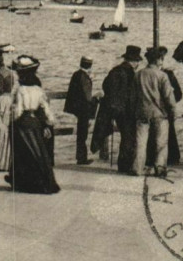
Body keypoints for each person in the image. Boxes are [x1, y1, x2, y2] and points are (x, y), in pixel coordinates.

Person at [5, 56, 60, 194]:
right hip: (35, 123)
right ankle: (41, 181)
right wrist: (48, 123)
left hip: (23, 123)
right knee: (37, 152)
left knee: (22, 153)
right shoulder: (38, 90)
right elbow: (45, 108)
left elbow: (18, 110)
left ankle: (22, 181)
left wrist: (11, 120)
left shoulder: (21, 90)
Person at [132, 47, 177, 177]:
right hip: (159, 114)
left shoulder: (138, 74)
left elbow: (133, 97)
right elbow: (169, 97)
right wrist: (173, 112)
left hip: (142, 112)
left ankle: (137, 168)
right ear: (158, 60)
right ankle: (160, 168)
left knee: (140, 141)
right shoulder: (162, 76)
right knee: (161, 142)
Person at [97, 45, 141, 173]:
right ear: (134, 61)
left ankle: (123, 164)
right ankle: (124, 165)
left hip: (115, 110)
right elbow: (133, 92)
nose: (138, 64)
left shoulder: (115, 70)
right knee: (129, 137)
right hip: (127, 110)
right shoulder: (130, 73)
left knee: (125, 135)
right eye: (137, 61)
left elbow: (105, 86)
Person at [147, 49, 183, 167]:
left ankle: (170, 158)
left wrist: (169, 104)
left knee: (167, 136)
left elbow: (178, 94)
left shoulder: (168, 75)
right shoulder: (149, 73)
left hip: (162, 111)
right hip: (158, 112)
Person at [64, 56, 98, 165]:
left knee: (81, 133)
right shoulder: (84, 77)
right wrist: (96, 97)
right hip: (84, 109)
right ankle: (82, 158)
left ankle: (81, 156)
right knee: (83, 134)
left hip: (77, 108)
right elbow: (87, 96)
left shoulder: (76, 74)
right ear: (90, 65)